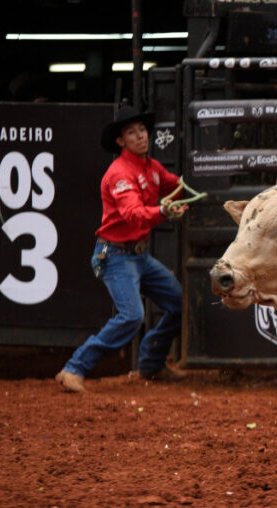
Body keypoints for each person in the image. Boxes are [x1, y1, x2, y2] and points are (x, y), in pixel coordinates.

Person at [55, 105, 188, 393]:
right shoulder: (120, 174)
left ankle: (151, 365)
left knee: (178, 302)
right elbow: (134, 215)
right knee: (131, 315)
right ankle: (73, 369)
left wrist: (184, 194)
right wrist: (166, 210)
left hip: (138, 255)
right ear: (120, 141)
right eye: (132, 132)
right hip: (115, 255)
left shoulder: (151, 167)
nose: (140, 136)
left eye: (142, 130)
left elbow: (174, 185)